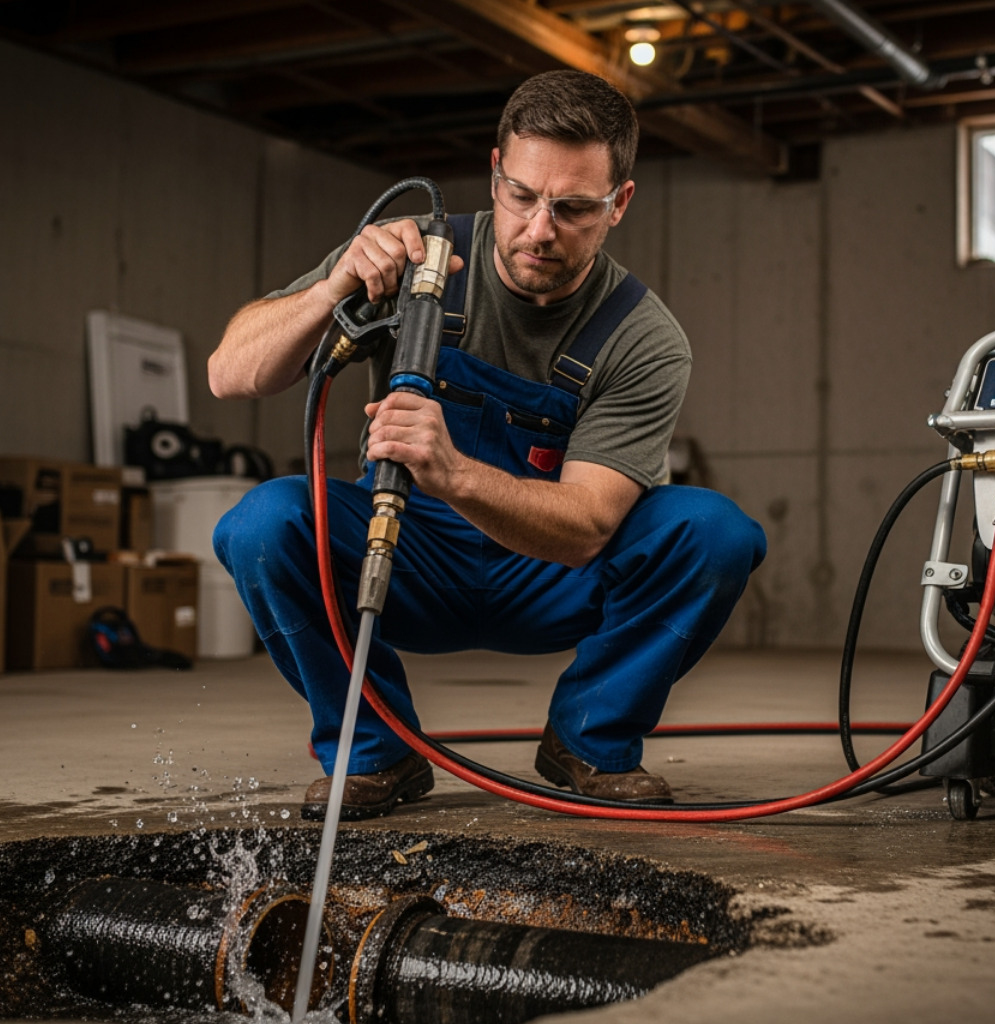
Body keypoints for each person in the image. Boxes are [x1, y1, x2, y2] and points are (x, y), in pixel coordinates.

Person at [209, 70, 766, 821]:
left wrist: (452, 471)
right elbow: (230, 373)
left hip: (549, 574)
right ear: (495, 171)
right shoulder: (413, 258)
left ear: (619, 203)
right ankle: (376, 750)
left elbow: (586, 527)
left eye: (574, 208)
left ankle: (590, 740)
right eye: (522, 196)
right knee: (261, 525)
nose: (540, 230)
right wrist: (332, 287)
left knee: (715, 532)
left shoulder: (643, 337)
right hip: (402, 553)